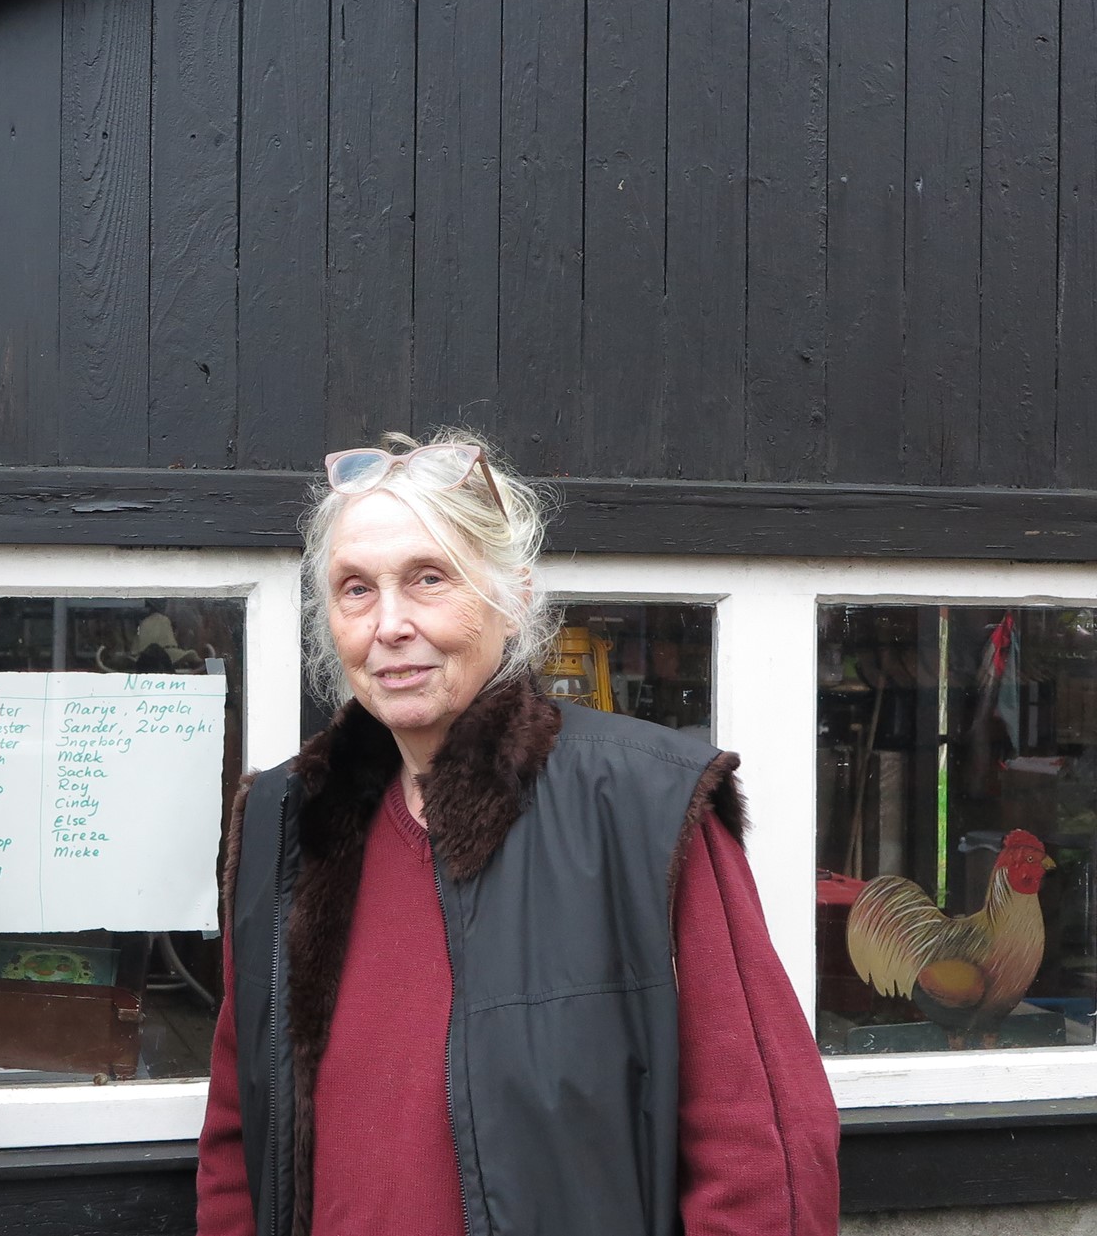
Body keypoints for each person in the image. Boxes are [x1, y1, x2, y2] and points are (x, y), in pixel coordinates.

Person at [196, 432, 840, 1235]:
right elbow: (235, 1140)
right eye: (355, 589)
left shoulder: (641, 806)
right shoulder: (286, 824)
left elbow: (762, 1155)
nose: (389, 623)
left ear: (514, 595)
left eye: (428, 578)